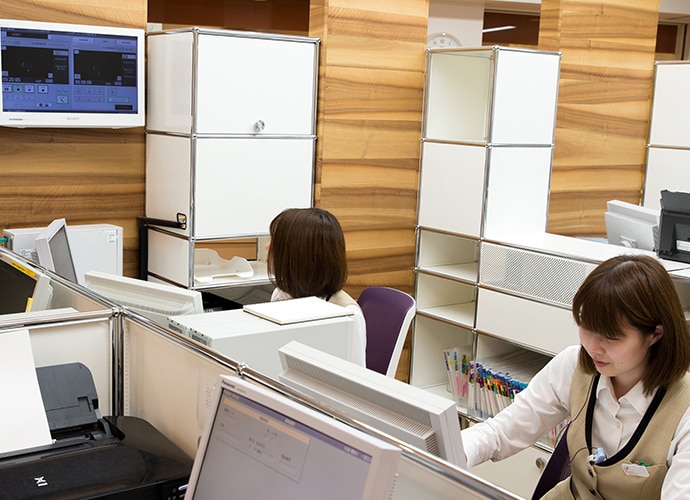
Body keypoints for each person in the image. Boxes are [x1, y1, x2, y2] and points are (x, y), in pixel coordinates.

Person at [462, 254, 690, 499]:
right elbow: (502, 432)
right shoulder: (573, 365)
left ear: (655, 334)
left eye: (611, 337)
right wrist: (446, 451)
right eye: (585, 327)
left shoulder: (683, 406)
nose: (593, 346)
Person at [265, 207, 366, 366]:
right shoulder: (281, 294)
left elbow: (356, 379)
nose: (267, 246)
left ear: (296, 253)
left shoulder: (346, 314)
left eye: (275, 241)